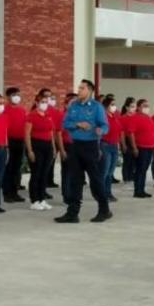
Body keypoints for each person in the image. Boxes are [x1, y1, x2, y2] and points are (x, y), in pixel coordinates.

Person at [56, 79, 111, 224]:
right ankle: (72, 213)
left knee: (95, 180)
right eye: (79, 88)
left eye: (82, 88)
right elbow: (65, 123)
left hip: (91, 146)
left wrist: (100, 130)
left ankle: (104, 209)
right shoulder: (73, 106)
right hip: (75, 146)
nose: (79, 90)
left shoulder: (96, 107)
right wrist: (77, 124)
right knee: (75, 180)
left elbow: (105, 125)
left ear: (90, 91)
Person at [25, 91, 57, 211]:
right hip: (36, 145)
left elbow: (51, 133)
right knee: (36, 173)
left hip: (47, 146)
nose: (45, 104)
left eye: (46, 102)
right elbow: (27, 134)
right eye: (42, 102)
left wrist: (53, 148)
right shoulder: (31, 115)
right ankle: (34, 200)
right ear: (36, 103)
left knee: (44, 174)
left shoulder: (48, 115)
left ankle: (42, 198)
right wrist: (30, 151)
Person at [2, 86, 28, 203]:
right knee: (9, 168)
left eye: (18, 95)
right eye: (14, 95)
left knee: (17, 168)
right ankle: (7, 193)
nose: (17, 97)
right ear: (8, 97)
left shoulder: (22, 110)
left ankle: (15, 192)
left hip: (20, 141)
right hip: (9, 141)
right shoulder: (4, 110)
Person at [129, 98, 154, 199]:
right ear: (138, 107)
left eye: (147, 106)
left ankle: (142, 189)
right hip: (141, 147)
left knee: (144, 169)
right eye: (144, 106)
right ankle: (138, 190)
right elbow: (131, 133)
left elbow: (152, 131)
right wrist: (134, 147)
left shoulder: (148, 117)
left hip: (150, 146)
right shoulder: (135, 117)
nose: (146, 108)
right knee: (140, 169)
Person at [100, 94, 122, 202]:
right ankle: (101, 194)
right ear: (106, 106)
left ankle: (108, 193)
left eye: (115, 104)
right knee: (104, 171)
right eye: (112, 104)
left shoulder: (114, 117)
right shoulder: (102, 118)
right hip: (105, 145)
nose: (114, 107)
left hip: (114, 145)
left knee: (110, 172)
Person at [120, 97, 137, 183]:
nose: (133, 108)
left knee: (134, 159)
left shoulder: (136, 116)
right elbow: (121, 132)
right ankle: (126, 177)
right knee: (127, 159)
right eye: (131, 106)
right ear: (127, 107)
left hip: (135, 139)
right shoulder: (122, 118)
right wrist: (123, 144)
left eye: (134, 106)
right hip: (126, 140)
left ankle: (132, 175)